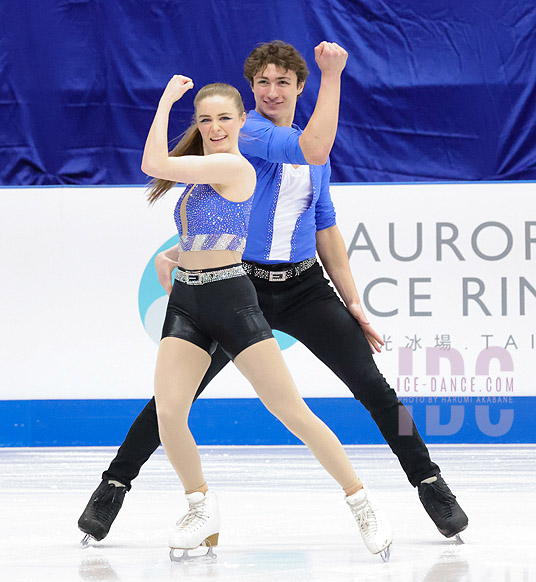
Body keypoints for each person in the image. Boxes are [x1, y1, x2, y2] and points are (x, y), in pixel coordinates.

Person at [78, 40, 467, 549]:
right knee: (173, 398)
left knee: (376, 390)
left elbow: (324, 224)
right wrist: (334, 75)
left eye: (283, 82)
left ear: (298, 87)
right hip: (243, 286)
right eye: (262, 82)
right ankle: (114, 484)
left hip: (307, 287)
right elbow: (301, 155)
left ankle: (430, 481)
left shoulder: (311, 146)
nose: (272, 91)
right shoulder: (252, 134)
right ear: (251, 91)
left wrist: (351, 301)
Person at [121, 72, 392, 559]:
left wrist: (165, 99)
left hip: (230, 300)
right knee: (168, 412)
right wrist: (173, 261)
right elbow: (207, 235)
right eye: (205, 119)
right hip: (187, 301)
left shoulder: (235, 166)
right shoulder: (203, 171)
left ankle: (361, 500)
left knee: (291, 412)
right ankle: (200, 505)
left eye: (225, 117)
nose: (215, 126)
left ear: (243, 122)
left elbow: (151, 161)